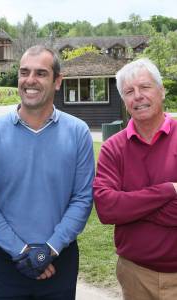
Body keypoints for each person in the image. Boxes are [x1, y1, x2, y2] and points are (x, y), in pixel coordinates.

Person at [0, 45, 94, 300]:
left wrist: (49, 250)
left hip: (59, 264)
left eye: (41, 73)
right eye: (24, 72)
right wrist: (21, 251)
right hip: (6, 264)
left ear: (57, 81)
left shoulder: (78, 133)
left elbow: (82, 198)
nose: (30, 80)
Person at [94, 58, 177, 300]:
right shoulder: (112, 148)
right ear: (125, 101)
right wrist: (168, 192)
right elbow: (107, 209)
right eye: (129, 91)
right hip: (136, 275)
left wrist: (130, 205)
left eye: (145, 87)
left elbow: (118, 206)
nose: (138, 96)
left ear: (161, 91)